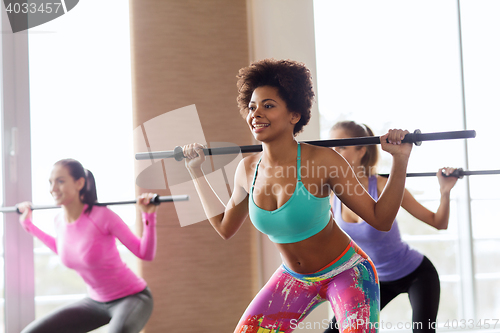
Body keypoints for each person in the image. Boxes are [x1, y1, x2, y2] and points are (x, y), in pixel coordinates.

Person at [182, 58, 413, 333]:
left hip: (347, 272)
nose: (256, 113)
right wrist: (195, 172)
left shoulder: (323, 161)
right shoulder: (247, 169)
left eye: (268, 106)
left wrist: (399, 160)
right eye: (252, 107)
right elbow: (224, 227)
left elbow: (380, 219)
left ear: (294, 115)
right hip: (295, 278)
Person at [323, 121, 458, 333]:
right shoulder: (332, 194)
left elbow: (438, 223)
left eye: (341, 146)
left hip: (416, 274)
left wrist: (445, 191)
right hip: (375, 281)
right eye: (331, 147)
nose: (333, 152)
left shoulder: (385, 186)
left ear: (361, 151)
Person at [17, 158, 158, 333]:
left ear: (79, 183)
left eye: (60, 181)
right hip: (95, 302)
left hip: (132, 297)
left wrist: (148, 216)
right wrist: (29, 226)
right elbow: (64, 249)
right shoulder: (58, 220)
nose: (53, 189)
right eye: (51, 182)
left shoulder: (103, 216)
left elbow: (145, 253)